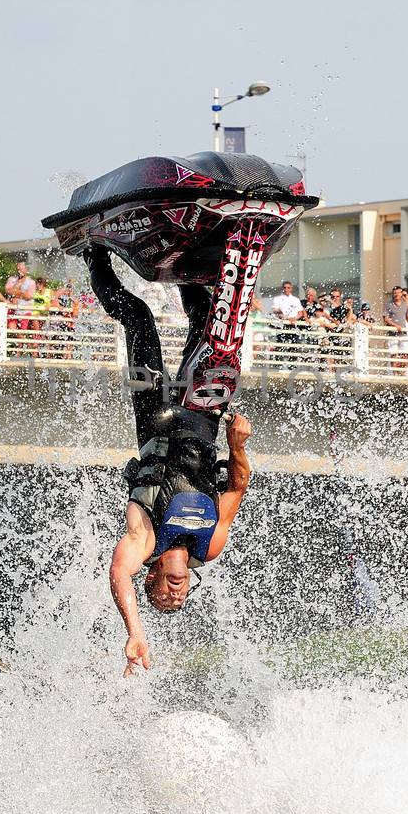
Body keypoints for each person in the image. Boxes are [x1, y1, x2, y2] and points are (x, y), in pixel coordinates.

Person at [89, 242, 254, 676]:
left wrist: (135, 631)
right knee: (207, 324)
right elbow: (236, 487)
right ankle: (185, 263)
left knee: (139, 318)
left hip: (156, 417)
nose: (177, 595)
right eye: (180, 599)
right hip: (203, 417)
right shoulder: (209, 546)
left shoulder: (145, 540)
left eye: (165, 595)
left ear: (153, 576)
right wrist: (237, 447)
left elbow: (118, 575)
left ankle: (94, 254)